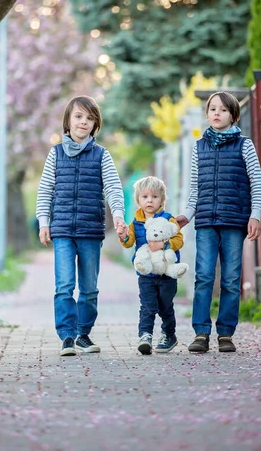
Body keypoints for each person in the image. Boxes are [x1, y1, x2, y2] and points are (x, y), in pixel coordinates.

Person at [36, 96, 128, 357]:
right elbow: (45, 190)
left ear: (95, 124)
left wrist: (119, 216)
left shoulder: (101, 155)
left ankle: (83, 334)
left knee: (89, 288)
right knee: (64, 285)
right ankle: (66, 336)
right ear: (68, 120)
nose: (83, 122)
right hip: (63, 230)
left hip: (90, 230)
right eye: (78, 117)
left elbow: (113, 187)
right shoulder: (55, 154)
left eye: (89, 118)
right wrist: (44, 223)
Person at [176, 91, 261, 353]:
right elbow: (194, 188)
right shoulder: (198, 146)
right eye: (212, 109)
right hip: (205, 221)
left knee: (230, 279)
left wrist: (255, 215)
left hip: (234, 221)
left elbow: (257, 184)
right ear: (207, 114)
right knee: (203, 277)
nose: (217, 113)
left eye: (223, 110)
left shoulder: (244, 145)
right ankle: (201, 333)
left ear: (233, 115)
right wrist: (186, 215)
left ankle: (226, 333)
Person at [117, 176, 184, 355]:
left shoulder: (168, 219)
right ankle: (145, 336)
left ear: (162, 199)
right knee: (147, 306)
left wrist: (164, 245)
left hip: (167, 274)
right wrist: (123, 235)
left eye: (154, 197)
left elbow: (179, 239)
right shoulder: (135, 223)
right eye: (145, 197)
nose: (150, 200)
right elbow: (128, 243)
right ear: (138, 200)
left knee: (165, 306)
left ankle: (169, 335)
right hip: (146, 275)